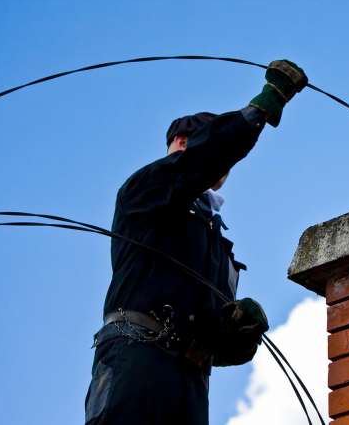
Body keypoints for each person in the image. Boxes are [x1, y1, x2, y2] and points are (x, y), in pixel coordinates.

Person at [84, 60, 308, 425]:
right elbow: (199, 163)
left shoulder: (217, 247)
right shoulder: (145, 191)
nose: (224, 166)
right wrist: (262, 107)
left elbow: (217, 343)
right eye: (210, 146)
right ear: (181, 143)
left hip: (189, 383)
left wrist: (239, 330)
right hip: (135, 363)